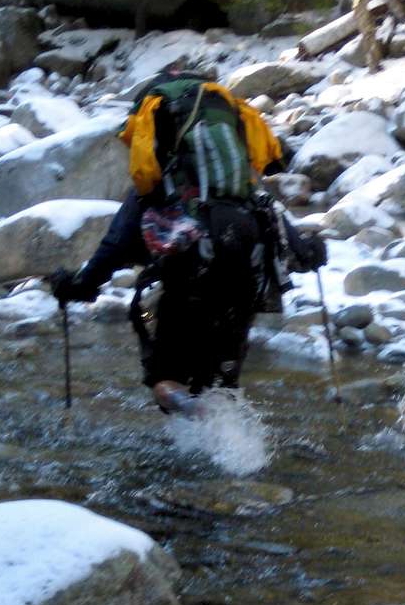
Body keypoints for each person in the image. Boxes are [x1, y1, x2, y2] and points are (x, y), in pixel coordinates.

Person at [49, 71, 326, 414]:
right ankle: (234, 452)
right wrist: (311, 251)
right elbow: (292, 242)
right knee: (221, 385)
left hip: (194, 272)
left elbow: (116, 244)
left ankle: (194, 418)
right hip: (247, 277)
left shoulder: (159, 189)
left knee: (166, 379)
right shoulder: (243, 191)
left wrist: (77, 285)